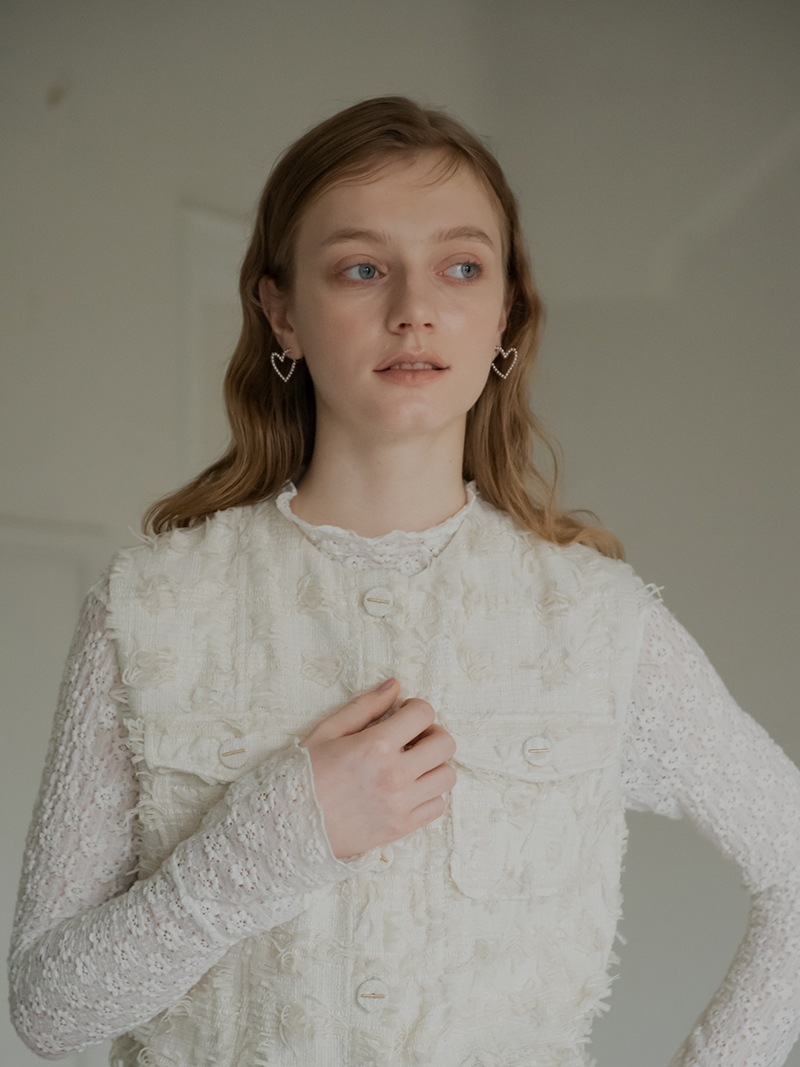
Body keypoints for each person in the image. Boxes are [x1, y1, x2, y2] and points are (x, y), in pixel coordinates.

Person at [8, 96, 800, 1067]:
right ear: (281, 312)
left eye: (461, 267)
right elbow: (49, 1009)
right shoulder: (149, 610)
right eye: (362, 268)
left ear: (505, 313)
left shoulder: (596, 625)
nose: (414, 309)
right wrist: (261, 849)